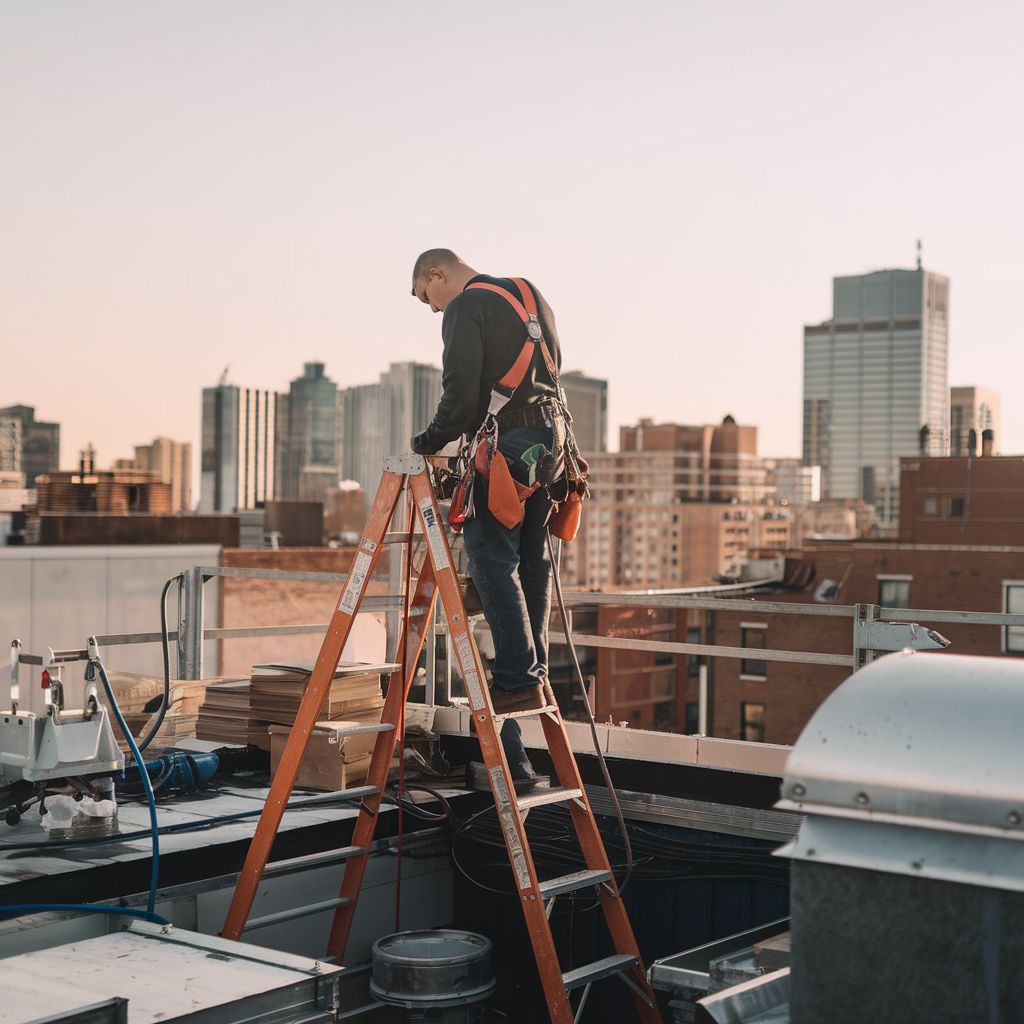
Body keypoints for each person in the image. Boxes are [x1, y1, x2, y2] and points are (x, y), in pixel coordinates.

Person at [410, 248, 562, 729]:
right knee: (533, 558)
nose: (434, 309)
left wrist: (427, 442)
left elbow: (459, 396)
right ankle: (530, 671)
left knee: (490, 556)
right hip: (552, 444)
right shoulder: (529, 293)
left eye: (426, 297)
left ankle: (517, 680)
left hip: (510, 448)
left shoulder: (465, 306)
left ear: (438, 273)